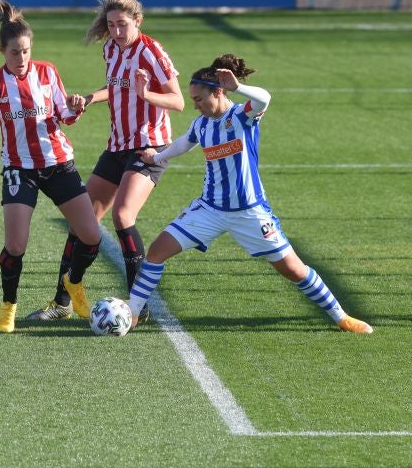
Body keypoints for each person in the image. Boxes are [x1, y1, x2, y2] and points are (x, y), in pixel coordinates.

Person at [126, 54, 373, 334]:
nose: (195, 105)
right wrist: (157, 157)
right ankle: (132, 314)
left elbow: (264, 99)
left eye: (199, 99)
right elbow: (184, 144)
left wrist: (237, 87)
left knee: (294, 270)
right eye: (193, 100)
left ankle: (341, 317)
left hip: (250, 212)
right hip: (210, 209)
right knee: (157, 252)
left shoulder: (241, 116)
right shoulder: (202, 124)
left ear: (218, 91)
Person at [26, 0, 184, 322]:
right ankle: (61, 303)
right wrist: (88, 98)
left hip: (148, 147)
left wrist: (147, 94)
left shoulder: (152, 51)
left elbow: (178, 101)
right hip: (116, 146)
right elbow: (115, 88)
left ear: (137, 21)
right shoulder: (111, 49)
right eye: (111, 25)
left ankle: (137, 307)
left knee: (123, 216)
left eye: (122, 24)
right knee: (82, 223)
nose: (116, 31)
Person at [0, 0, 101, 333]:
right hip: (19, 169)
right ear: (2, 50)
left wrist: (76, 107)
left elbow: (65, 115)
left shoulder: (47, 72)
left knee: (91, 236)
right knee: (16, 246)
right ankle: (8, 306)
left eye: (26, 51)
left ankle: (73, 284)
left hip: (59, 163)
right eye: (15, 52)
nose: (22, 59)